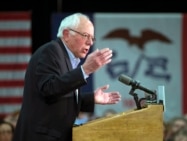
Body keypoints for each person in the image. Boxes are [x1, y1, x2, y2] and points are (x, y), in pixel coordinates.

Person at [12, 12, 122, 141]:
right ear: (66, 34)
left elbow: (60, 98)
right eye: (86, 35)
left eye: (92, 38)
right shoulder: (50, 51)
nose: (90, 42)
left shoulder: (68, 59)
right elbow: (49, 89)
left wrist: (90, 98)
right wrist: (85, 70)